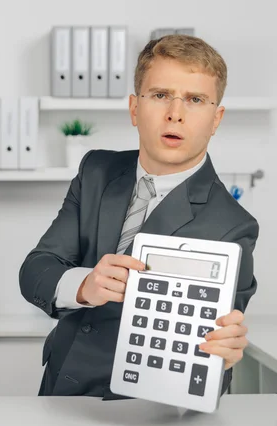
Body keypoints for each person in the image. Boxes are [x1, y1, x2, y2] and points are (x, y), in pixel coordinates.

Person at [19, 34, 258, 398]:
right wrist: (84, 286)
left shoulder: (233, 224)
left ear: (216, 118)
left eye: (195, 99)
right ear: (134, 108)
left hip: (145, 409)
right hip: (60, 389)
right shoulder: (96, 171)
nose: (175, 112)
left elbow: (216, 344)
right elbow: (37, 270)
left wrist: (221, 354)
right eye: (161, 95)